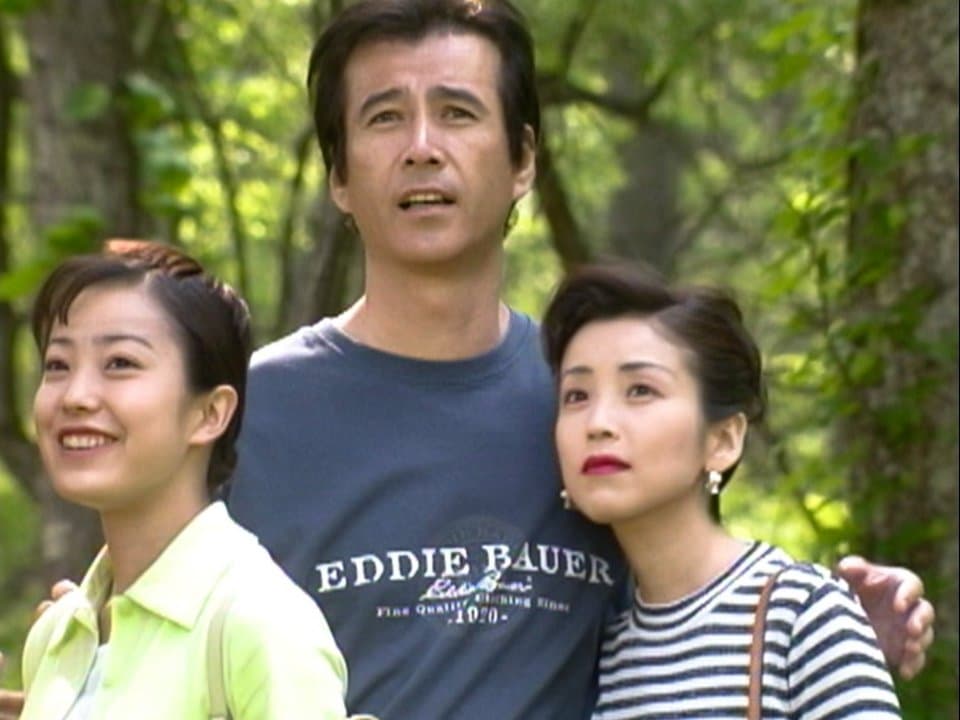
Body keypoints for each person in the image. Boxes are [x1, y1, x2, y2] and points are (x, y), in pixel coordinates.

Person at [0, 1, 934, 719]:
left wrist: (822, 627)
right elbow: (140, 636)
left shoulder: (588, 408)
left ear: (523, 160)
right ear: (338, 174)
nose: (422, 149)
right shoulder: (247, 407)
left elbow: (690, 593)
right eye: (383, 119)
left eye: (457, 112)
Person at [543, 263, 901, 718]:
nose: (598, 423)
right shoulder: (603, 651)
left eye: (640, 390)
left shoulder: (801, 613)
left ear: (723, 440)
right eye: (577, 396)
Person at [17, 240, 348, 719]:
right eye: (57, 366)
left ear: (210, 413)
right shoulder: (57, 635)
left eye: (120, 363)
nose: (76, 396)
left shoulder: (261, 625)